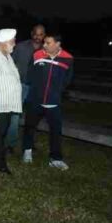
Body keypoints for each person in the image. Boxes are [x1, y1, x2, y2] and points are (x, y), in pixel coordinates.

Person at [22, 33, 74, 170]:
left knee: (56, 130)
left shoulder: (68, 59)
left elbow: (68, 79)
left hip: (53, 102)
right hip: (35, 100)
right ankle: (27, 150)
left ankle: (55, 158)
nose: (44, 45)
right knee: (30, 126)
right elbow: (29, 75)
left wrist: (57, 91)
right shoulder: (37, 55)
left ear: (58, 44)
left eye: (48, 43)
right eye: (44, 42)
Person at [0, 28, 22, 175]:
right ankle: (1, 164)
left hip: (7, 103)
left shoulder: (7, 55)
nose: (14, 44)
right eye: (12, 41)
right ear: (3, 42)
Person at [6, 24, 46, 152]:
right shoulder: (20, 47)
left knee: (33, 117)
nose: (37, 37)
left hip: (36, 88)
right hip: (20, 85)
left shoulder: (47, 50)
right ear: (32, 33)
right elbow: (9, 62)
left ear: (44, 35)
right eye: (36, 34)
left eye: (41, 34)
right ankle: (10, 143)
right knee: (15, 116)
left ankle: (29, 143)